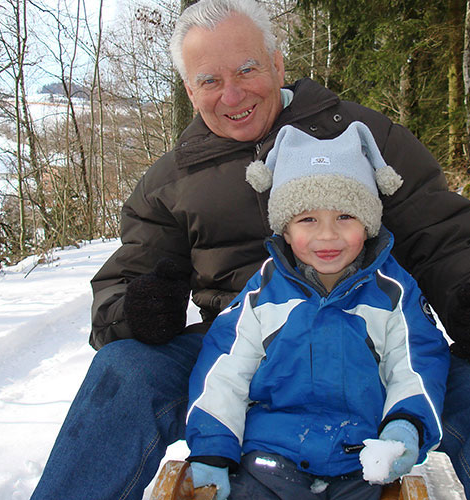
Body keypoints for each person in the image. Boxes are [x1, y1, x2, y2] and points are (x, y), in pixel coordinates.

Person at [31, 1, 470, 499]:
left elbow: (443, 231)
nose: (233, 94)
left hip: (370, 340)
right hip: (243, 350)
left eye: (247, 69)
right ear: (190, 89)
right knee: (123, 368)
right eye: (210, 80)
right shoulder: (171, 180)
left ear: (276, 63)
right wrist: (135, 310)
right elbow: (125, 279)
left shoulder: (362, 137)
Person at [185, 121, 450, 500]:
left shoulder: (392, 292)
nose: (327, 235)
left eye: (345, 216)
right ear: (286, 230)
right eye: (308, 219)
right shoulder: (263, 293)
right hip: (268, 456)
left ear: (368, 224)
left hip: (362, 459)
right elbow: (225, 369)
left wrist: (405, 427)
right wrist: (213, 444)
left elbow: (417, 363)